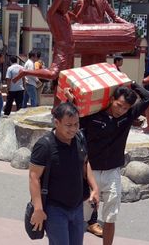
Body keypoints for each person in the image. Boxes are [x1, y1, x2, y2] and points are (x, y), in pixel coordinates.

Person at [80, 84, 149, 244]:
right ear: (112, 99)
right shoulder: (92, 116)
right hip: (89, 172)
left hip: (112, 173)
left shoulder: (128, 117)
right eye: (119, 105)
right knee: (80, 217)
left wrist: (131, 84)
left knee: (110, 217)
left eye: (125, 108)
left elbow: (148, 98)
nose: (121, 110)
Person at [29, 102, 99, 245]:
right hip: (55, 209)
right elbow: (34, 177)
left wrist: (95, 188)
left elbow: (85, 163)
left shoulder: (79, 138)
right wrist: (38, 209)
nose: (73, 129)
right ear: (57, 122)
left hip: (77, 207)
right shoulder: (45, 145)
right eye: (68, 125)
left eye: (76, 124)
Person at [13, 0, 76, 106]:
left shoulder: (66, 15)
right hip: (62, 50)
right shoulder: (52, 14)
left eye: (69, 4)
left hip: (70, 50)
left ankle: (56, 108)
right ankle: (25, 72)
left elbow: (78, 17)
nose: (67, 6)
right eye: (65, 3)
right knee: (53, 74)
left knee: (64, 80)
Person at [70, 0, 129, 67]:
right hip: (87, 38)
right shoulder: (81, 1)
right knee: (87, 64)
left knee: (100, 64)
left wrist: (127, 24)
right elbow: (75, 19)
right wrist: (84, 6)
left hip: (100, 38)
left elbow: (114, 17)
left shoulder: (101, 0)